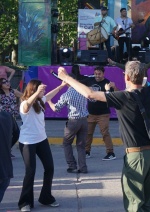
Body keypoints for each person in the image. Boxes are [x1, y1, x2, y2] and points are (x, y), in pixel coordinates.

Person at [56, 52, 150, 211]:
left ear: (127, 78)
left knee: (135, 205)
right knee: (147, 204)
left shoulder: (123, 97)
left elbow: (90, 94)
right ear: (143, 77)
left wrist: (67, 78)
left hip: (136, 157)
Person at [18, 79, 65, 211]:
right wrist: (37, 93)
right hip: (27, 142)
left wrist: (61, 86)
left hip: (42, 140)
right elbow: (27, 105)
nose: (43, 92)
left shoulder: (39, 101)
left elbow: (49, 95)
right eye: (40, 90)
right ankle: (25, 202)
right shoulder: (24, 104)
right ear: (33, 90)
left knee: (49, 167)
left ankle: (46, 198)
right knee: (30, 171)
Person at [47, 74, 89, 174]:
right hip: (84, 120)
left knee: (66, 143)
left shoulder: (66, 94)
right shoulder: (82, 91)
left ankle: (72, 165)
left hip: (73, 121)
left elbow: (56, 108)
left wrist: (48, 101)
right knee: (81, 145)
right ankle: (83, 167)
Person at [82, 66, 117, 160]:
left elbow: (114, 96)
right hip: (91, 113)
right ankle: (86, 151)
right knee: (88, 133)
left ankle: (111, 153)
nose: (97, 76)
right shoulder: (89, 80)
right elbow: (79, 83)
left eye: (99, 74)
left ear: (103, 74)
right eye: (96, 74)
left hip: (103, 113)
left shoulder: (107, 83)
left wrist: (113, 87)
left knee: (105, 133)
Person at [0, 111, 19, 203]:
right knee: (4, 182)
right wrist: (7, 147)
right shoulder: (8, 116)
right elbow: (16, 134)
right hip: (4, 165)